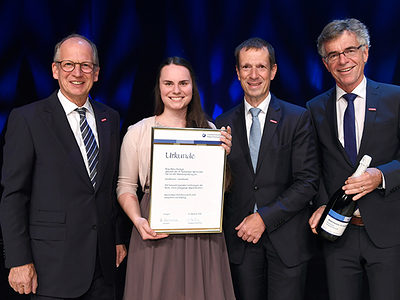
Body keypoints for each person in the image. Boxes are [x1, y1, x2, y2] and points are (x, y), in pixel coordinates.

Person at [0, 34, 127, 299]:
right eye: (69, 64)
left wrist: (115, 237)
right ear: (55, 70)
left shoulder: (110, 118)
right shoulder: (28, 119)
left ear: (96, 73)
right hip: (51, 269)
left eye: (85, 65)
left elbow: (108, 186)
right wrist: (17, 259)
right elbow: (14, 196)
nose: (77, 73)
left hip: (103, 268)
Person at [117, 56, 235, 300]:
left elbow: (220, 190)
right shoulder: (137, 132)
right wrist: (138, 221)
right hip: (154, 230)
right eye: (168, 83)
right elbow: (126, 186)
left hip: (202, 233)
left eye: (183, 83)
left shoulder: (210, 131)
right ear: (159, 88)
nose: (176, 90)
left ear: (193, 86)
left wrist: (223, 159)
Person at [215, 37, 318, 300]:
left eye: (261, 67)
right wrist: (218, 161)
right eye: (246, 67)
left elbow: (307, 183)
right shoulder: (221, 123)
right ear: (237, 73)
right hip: (241, 241)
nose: (253, 75)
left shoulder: (297, 118)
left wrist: (263, 218)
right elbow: (219, 186)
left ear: (273, 71)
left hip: (287, 242)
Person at [307, 18, 400, 300]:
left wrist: (381, 176)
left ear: (365, 53)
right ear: (325, 63)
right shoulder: (314, 108)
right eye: (333, 54)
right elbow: (313, 167)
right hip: (337, 237)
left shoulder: (395, 98)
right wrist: (322, 202)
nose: (343, 60)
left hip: (387, 234)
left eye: (350, 50)